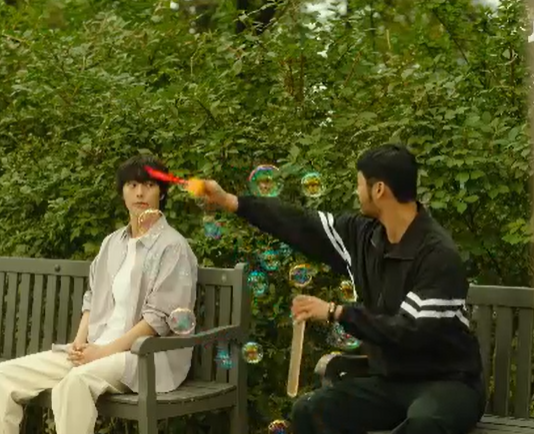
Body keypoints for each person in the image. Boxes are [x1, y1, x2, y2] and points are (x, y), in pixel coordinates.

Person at [197, 144, 485, 434]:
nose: (356, 192)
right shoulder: (363, 237)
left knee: (424, 424)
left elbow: (409, 331)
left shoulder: (437, 255)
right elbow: (300, 223)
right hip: (389, 384)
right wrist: (230, 201)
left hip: (448, 385)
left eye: (359, 184)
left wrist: (337, 312)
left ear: (379, 190)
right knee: (310, 410)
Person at [0, 154, 198, 434]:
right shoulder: (112, 244)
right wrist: (79, 343)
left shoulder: (173, 247)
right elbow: (92, 298)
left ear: (162, 192)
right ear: (122, 193)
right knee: (0, 376)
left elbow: (158, 320)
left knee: (73, 384)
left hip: (143, 357)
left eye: (149, 185)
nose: (140, 193)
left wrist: (103, 352)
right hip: (96, 349)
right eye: (132, 185)